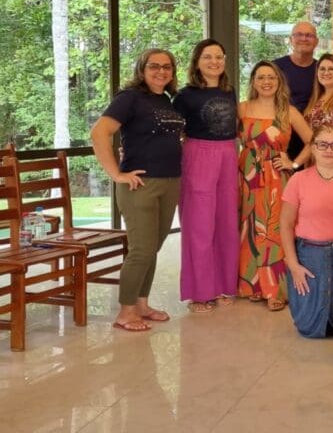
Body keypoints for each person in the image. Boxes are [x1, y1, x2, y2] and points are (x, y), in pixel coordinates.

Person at [91, 49, 185, 332]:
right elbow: (99, 131)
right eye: (154, 66)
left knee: (153, 248)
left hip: (170, 182)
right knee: (141, 250)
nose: (161, 71)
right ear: (142, 69)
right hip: (140, 184)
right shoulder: (129, 98)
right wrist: (116, 173)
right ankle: (126, 312)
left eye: (167, 67)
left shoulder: (166, 100)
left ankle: (142, 304)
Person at [238, 61, 314, 311]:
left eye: (271, 77)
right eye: (261, 77)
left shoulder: (288, 111)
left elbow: (313, 141)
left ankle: (276, 290)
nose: (266, 82)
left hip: (276, 177)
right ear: (253, 82)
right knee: (249, 229)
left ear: (279, 81)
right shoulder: (242, 108)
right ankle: (254, 285)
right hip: (247, 176)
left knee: (274, 230)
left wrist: (293, 164)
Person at [280, 125, 333, 338]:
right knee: (308, 326)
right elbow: (285, 224)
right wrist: (293, 265)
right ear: (313, 148)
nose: (329, 150)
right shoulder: (298, 180)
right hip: (309, 256)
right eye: (322, 144)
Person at [173, 39, 239, 314]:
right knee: (199, 226)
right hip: (198, 155)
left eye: (219, 57)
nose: (214, 61)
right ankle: (199, 293)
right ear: (197, 62)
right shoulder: (185, 95)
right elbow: (172, 131)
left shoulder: (229, 91)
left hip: (228, 154)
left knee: (226, 223)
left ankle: (224, 285)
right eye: (208, 57)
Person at [275, 21, 319, 160]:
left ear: (316, 41)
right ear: (290, 40)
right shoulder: (276, 67)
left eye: (309, 35)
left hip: (312, 136)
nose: (304, 39)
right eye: (298, 34)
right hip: (280, 134)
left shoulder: (322, 70)